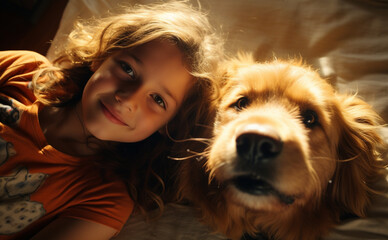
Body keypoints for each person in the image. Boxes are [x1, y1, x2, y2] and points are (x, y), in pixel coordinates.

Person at [0, 1, 223, 239]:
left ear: (168, 126)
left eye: (158, 100)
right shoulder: (22, 69)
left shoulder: (106, 198)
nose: (128, 99)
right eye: (128, 70)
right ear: (102, 57)